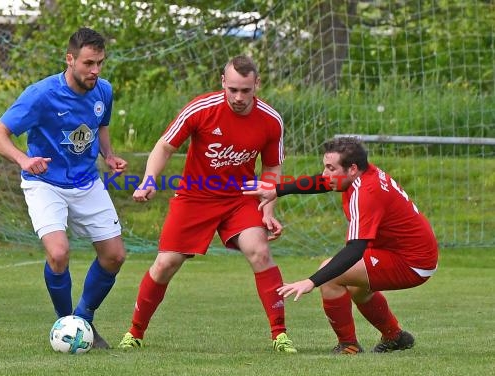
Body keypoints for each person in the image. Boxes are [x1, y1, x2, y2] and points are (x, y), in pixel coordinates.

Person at [117, 55, 297, 353]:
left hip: (240, 198)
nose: (239, 97)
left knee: (260, 251)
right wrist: (148, 180)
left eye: (246, 91)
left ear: (257, 85)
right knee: (165, 264)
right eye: (233, 90)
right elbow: (164, 146)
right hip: (195, 196)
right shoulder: (201, 108)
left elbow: (272, 170)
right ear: (223, 83)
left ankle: (280, 335)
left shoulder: (271, 119)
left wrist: (268, 210)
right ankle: (135, 332)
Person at [0, 27, 127, 349]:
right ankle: (67, 325)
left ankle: (83, 320)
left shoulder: (103, 90)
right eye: (88, 63)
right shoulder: (41, 94)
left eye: (100, 63)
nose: (95, 71)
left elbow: (101, 125)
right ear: (70, 59)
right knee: (59, 253)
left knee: (115, 256)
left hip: (87, 181)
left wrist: (109, 155)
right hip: (45, 183)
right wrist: (23, 159)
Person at [243, 136, 438, 354]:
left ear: (352, 169)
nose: (326, 174)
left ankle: (349, 345)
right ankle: (395, 337)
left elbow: (355, 250)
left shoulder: (366, 193)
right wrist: (277, 190)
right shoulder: (361, 173)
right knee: (356, 286)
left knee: (331, 274)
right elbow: (322, 181)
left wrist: (311, 282)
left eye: (330, 168)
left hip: (412, 261)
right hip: (403, 250)